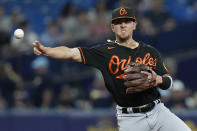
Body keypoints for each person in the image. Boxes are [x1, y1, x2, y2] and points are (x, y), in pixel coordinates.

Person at [33, 7, 191, 131]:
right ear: (112, 27)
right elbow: (71, 53)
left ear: (134, 25)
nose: (123, 25)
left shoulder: (150, 51)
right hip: (131, 119)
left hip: (158, 111)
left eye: (127, 21)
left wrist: (156, 79)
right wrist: (48, 50)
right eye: (118, 22)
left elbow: (168, 82)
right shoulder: (104, 52)